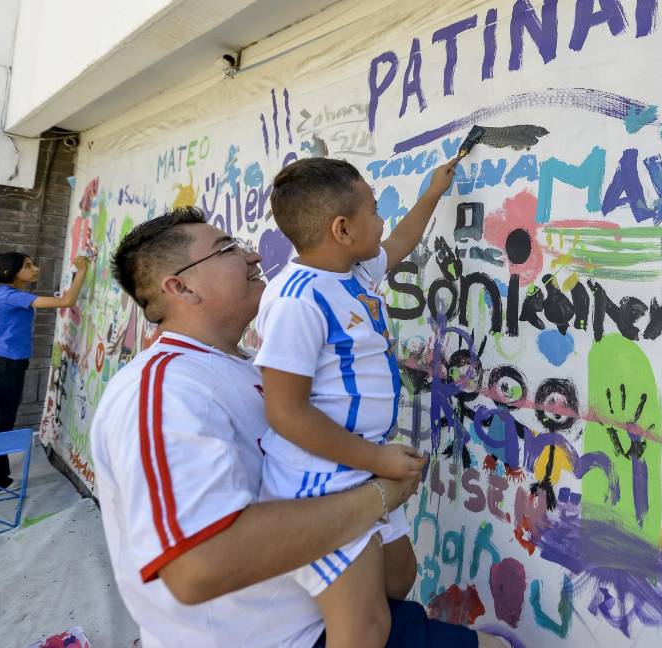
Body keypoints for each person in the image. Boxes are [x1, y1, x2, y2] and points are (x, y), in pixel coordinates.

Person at [93, 207, 496, 647]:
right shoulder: (163, 389)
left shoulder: (250, 370)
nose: (252, 256)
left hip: (328, 618)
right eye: (226, 249)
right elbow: (198, 565)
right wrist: (380, 494)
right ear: (181, 286)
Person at [253, 156, 457, 647]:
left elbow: (399, 244)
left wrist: (431, 194)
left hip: (361, 468)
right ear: (342, 229)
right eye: (373, 208)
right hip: (321, 484)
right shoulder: (298, 300)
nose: (381, 216)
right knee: (367, 630)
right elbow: (284, 411)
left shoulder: (356, 272)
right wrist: (379, 460)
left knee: (397, 577)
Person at [0, 251, 90, 499]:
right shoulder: (10, 296)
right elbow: (67, 302)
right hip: (3, 367)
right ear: (10, 273)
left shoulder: (3, 295)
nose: (35, 268)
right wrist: (82, 270)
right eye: (28, 266)